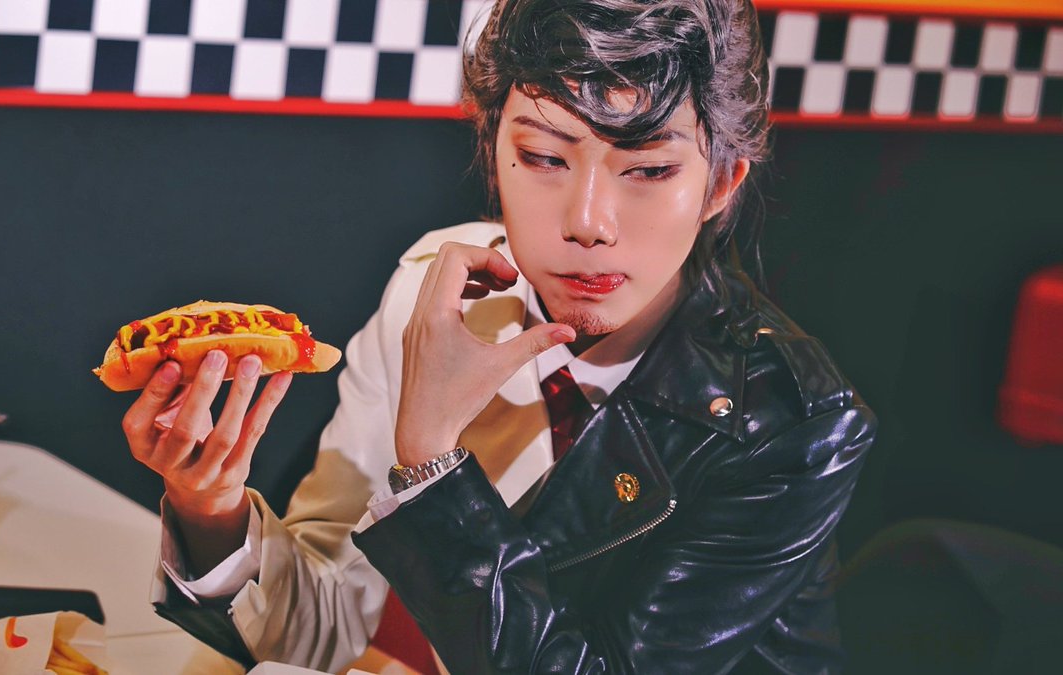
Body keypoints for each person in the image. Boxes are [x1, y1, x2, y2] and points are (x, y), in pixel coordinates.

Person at [121, 0, 877, 672]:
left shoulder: (791, 422)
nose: (588, 222)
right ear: (494, 152)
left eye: (648, 170)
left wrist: (430, 465)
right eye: (544, 157)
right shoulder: (435, 298)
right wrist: (210, 509)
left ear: (719, 186)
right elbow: (327, 627)